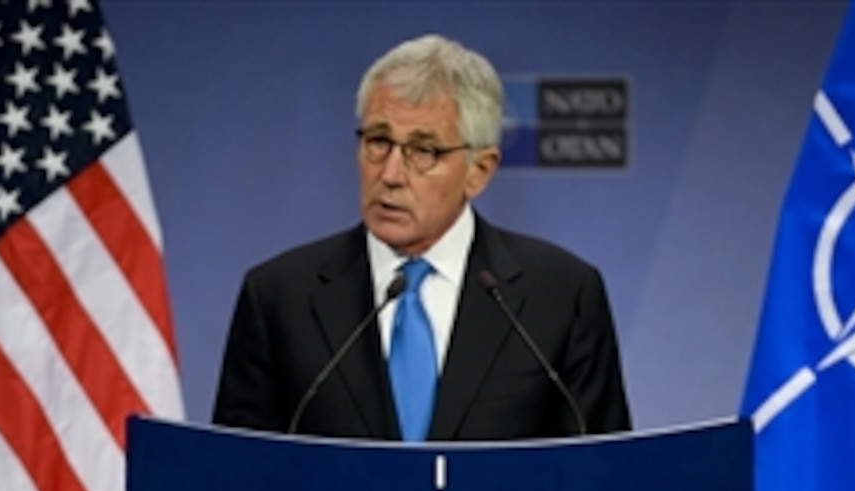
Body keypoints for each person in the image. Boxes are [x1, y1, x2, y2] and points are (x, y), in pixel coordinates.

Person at [212, 34, 630, 440]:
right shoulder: (279, 298)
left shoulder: (562, 296)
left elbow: (600, 484)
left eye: (423, 151)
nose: (390, 175)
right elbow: (237, 482)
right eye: (378, 141)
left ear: (479, 171)